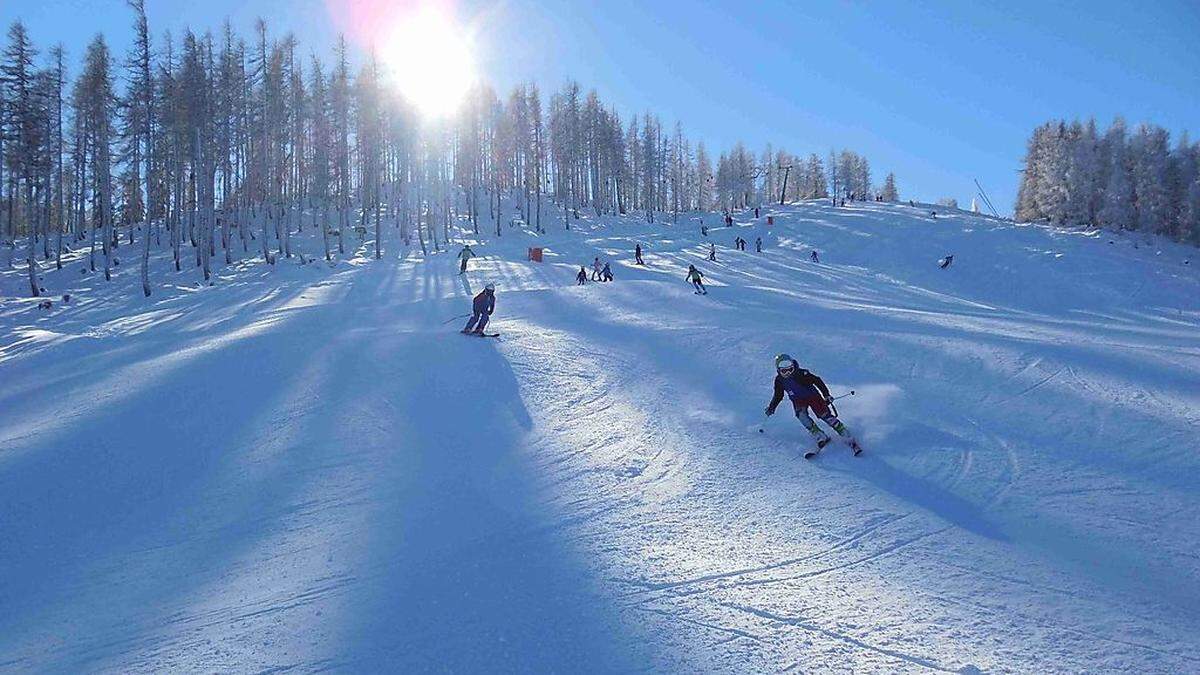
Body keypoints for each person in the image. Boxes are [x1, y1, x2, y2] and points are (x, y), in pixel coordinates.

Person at [764, 353, 859, 452]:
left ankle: (845, 434)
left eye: (789, 369)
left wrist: (826, 395)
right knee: (801, 416)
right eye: (783, 370)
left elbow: (817, 381)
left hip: (813, 397)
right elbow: (778, 395)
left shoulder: (801, 373)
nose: (787, 372)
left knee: (824, 415)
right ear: (778, 370)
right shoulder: (779, 380)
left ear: (793, 365)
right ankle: (820, 435)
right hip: (798, 400)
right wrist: (772, 407)